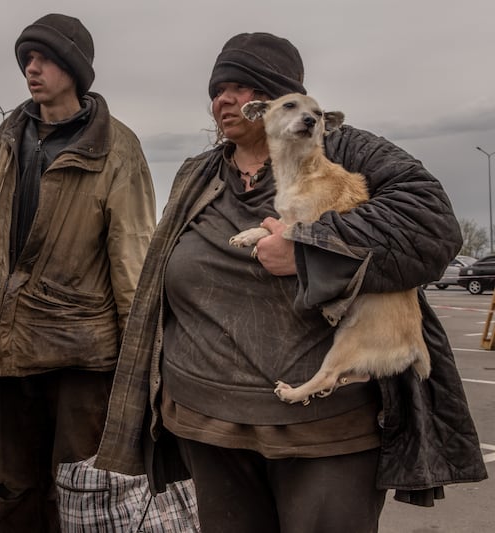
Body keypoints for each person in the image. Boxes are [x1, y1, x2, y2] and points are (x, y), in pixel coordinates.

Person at [95, 32, 488, 532]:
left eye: (243, 87)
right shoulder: (199, 173)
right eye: (218, 89)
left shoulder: (341, 148)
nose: (225, 100)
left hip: (324, 431)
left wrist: (309, 248)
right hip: (206, 422)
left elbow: (432, 227)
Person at [0, 13, 156, 532]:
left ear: (73, 67)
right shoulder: (9, 135)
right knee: (14, 488)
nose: (31, 67)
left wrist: (139, 367)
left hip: (82, 354)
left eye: (43, 57)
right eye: (26, 58)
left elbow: (132, 256)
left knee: (78, 492)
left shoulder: (117, 145)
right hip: (10, 345)